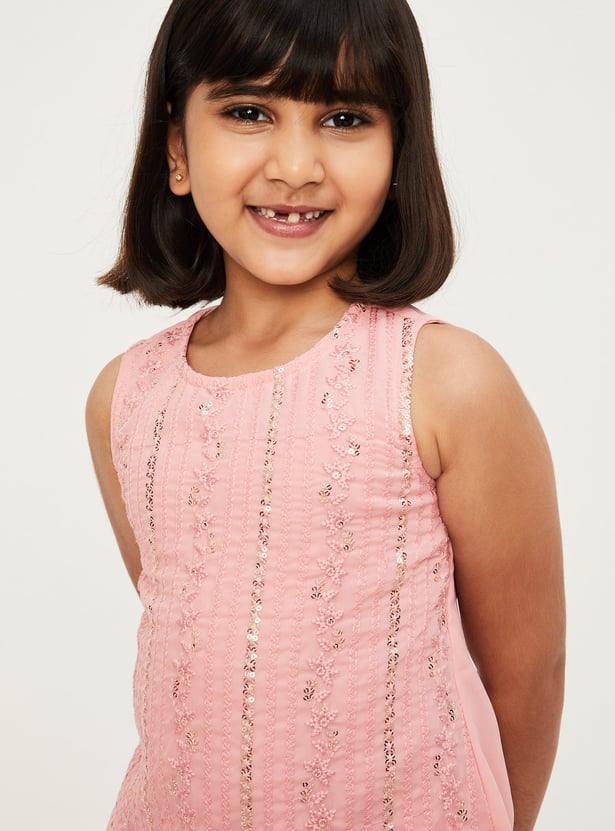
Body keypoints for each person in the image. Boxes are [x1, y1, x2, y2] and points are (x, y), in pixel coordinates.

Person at [86, 1, 565, 829]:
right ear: (176, 150)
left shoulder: (446, 382)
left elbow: (528, 673)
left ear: (398, 148)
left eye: (344, 118)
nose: (296, 165)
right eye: (248, 112)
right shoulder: (126, 396)